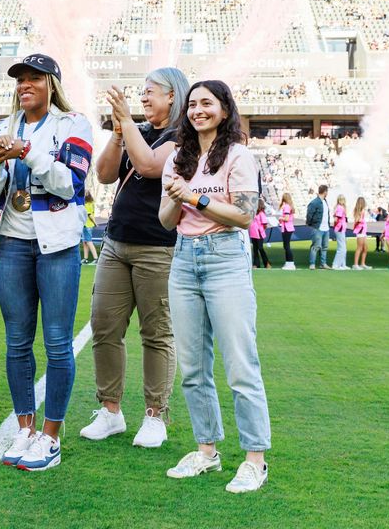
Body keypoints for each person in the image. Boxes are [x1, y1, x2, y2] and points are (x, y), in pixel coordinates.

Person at [0, 53, 94, 471]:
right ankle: (25, 427)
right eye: (20, 80)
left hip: (57, 244)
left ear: (51, 85)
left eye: (33, 79)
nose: (24, 85)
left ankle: (51, 435)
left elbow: (71, 184)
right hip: (11, 242)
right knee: (16, 341)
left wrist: (26, 152)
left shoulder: (72, 124)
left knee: (58, 341)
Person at [160, 80, 271, 494]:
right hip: (184, 258)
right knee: (192, 367)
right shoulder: (178, 158)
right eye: (192, 104)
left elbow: (244, 216)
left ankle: (255, 460)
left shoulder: (239, 155)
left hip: (225, 257)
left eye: (207, 103)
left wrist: (195, 198)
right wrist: (176, 197)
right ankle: (207, 451)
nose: (197, 110)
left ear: (225, 110)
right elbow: (166, 220)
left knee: (241, 365)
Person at [83, 68, 187, 450]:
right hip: (116, 242)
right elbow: (106, 173)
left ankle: (155, 415)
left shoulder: (182, 136)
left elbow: (149, 166)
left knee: (155, 332)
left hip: (158, 247)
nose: (143, 98)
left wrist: (126, 121)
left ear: (173, 96)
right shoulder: (136, 130)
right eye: (141, 92)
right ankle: (110, 411)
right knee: (104, 326)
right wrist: (118, 131)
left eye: (150, 92)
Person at [305, 185, 329, 269]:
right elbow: (309, 214)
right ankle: (312, 264)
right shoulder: (315, 202)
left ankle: (323, 263)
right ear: (325, 192)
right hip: (318, 227)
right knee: (316, 246)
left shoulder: (325, 201)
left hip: (326, 228)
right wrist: (311, 224)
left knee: (324, 247)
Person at [249, 198, 272, 268]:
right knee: (255, 249)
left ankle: (267, 263)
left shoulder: (262, 213)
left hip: (259, 233)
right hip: (253, 233)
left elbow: (265, 224)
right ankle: (256, 264)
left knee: (260, 248)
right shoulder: (253, 213)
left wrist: (260, 230)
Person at [330, 194, 348, 270]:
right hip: (340, 229)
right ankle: (335, 264)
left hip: (340, 229)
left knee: (342, 247)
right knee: (342, 248)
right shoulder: (340, 208)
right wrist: (338, 226)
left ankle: (342, 264)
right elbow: (336, 219)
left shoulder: (339, 207)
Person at [278, 193, 296, 269]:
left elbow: (286, 218)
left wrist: (280, 218)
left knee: (287, 246)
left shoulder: (286, 207)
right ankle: (288, 263)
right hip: (288, 228)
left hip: (287, 228)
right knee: (286, 246)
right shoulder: (289, 206)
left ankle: (290, 263)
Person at [352, 197, 370, 269]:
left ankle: (362, 263)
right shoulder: (359, 211)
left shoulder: (362, 211)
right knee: (359, 247)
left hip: (363, 231)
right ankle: (355, 264)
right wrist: (359, 220)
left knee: (365, 248)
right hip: (360, 231)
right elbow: (357, 220)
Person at [81, 192, 99, 263]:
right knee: (85, 242)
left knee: (88, 241)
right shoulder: (91, 203)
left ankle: (96, 258)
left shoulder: (86, 204)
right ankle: (85, 259)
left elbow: (90, 215)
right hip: (86, 225)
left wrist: (95, 223)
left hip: (87, 225)